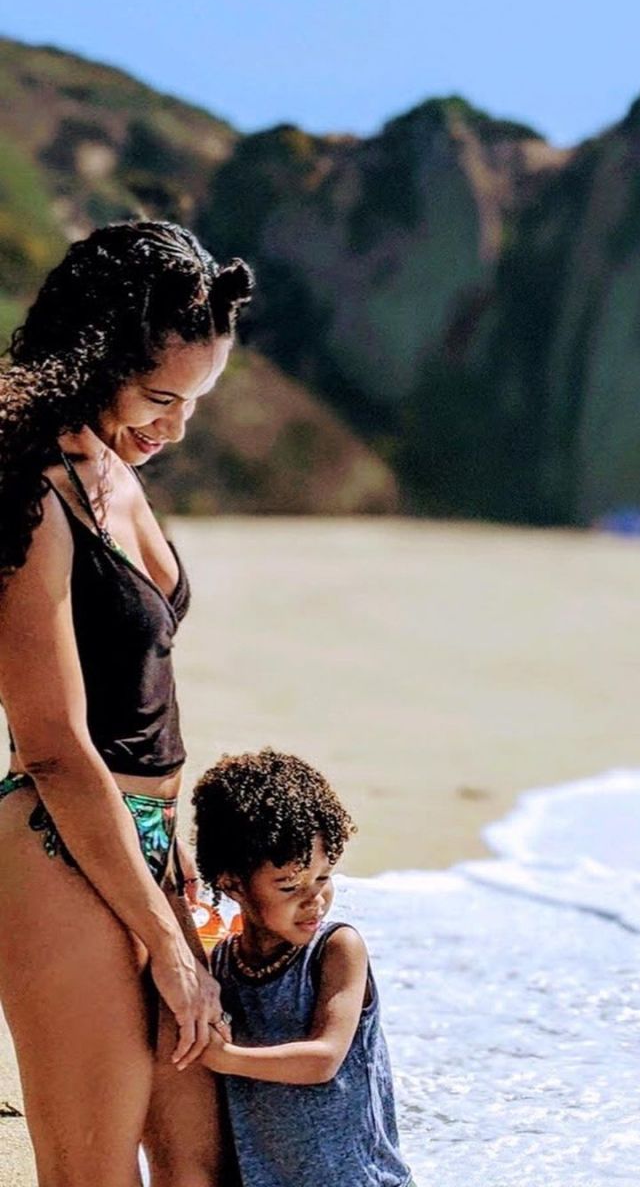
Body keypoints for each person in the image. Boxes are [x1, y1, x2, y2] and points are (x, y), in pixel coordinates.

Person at [0, 221, 254, 1186]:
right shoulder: (33, 489)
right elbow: (57, 744)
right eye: (159, 397)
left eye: (195, 402)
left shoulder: (117, 475)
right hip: (59, 845)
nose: (175, 427)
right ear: (94, 360)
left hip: (150, 840)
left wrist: (176, 872)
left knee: (199, 1171)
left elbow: (147, 703)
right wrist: (167, 947)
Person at [192, 748, 415, 1187]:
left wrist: (226, 1057)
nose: (314, 899)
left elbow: (323, 1059)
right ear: (231, 882)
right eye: (290, 885)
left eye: (323, 878)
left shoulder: (336, 949)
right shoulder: (221, 967)